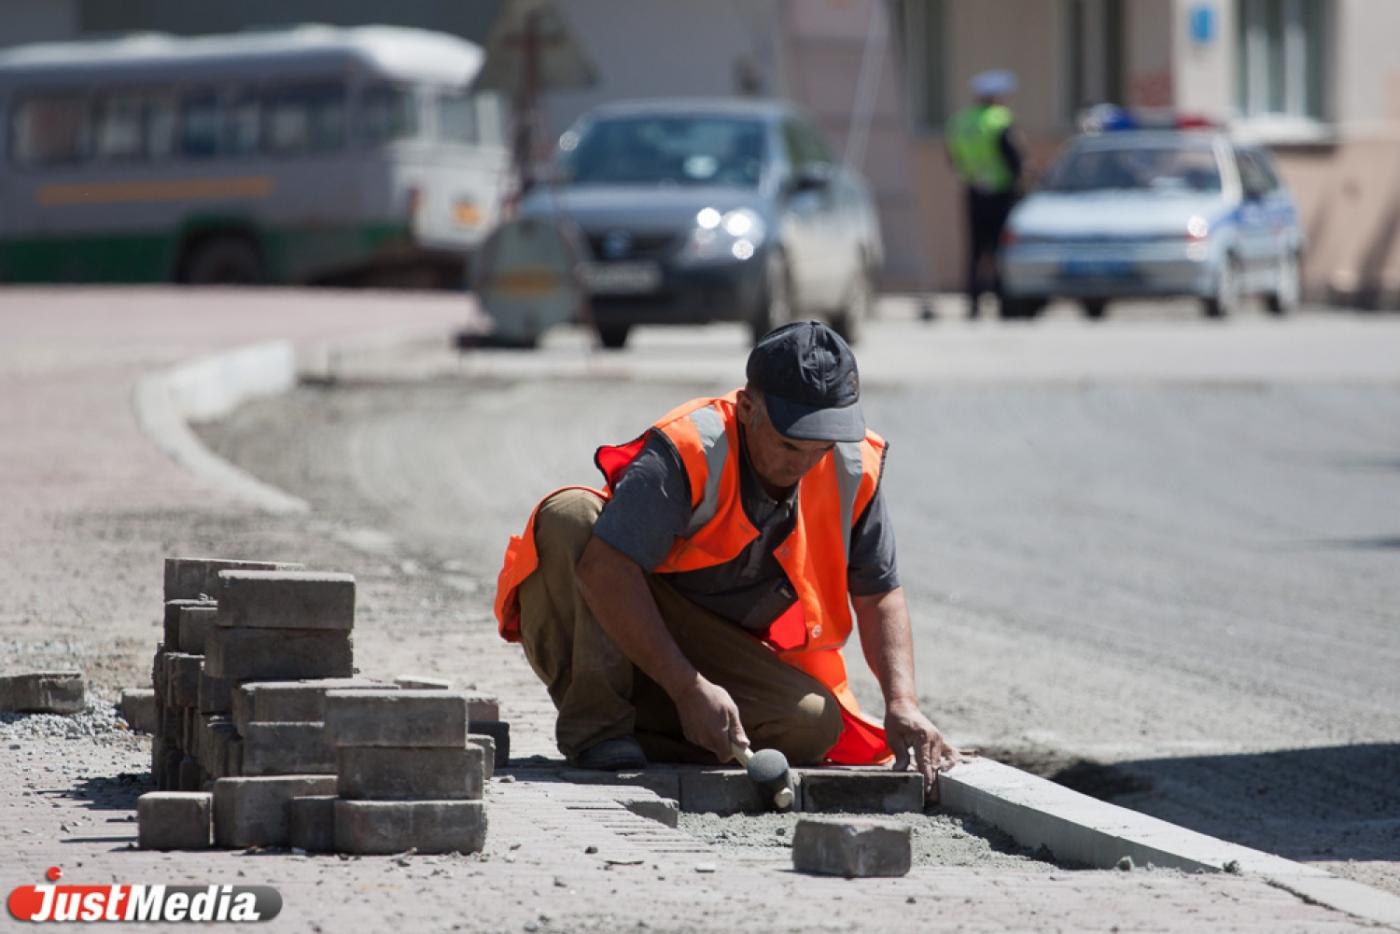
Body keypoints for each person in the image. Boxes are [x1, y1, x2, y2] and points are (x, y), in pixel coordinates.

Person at [493, 321, 960, 790]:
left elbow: (878, 592)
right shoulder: (691, 447)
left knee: (812, 725)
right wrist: (685, 686)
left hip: (718, 645)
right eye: (789, 444)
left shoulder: (852, 466)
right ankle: (598, 729)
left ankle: (659, 726)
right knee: (570, 516)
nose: (803, 464)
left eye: (820, 448)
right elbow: (604, 571)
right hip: (625, 615)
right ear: (749, 408)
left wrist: (902, 702)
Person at [947, 69, 1024, 319]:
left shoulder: (962, 121)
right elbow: (1012, 157)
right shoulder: (999, 119)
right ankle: (1004, 303)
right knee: (1001, 249)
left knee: (975, 250)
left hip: (973, 191)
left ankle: (973, 303)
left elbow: (953, 157)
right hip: (1001, 193)